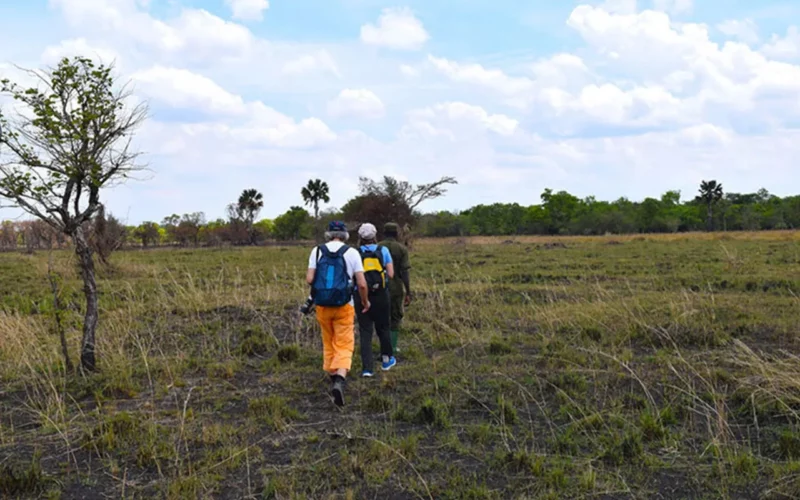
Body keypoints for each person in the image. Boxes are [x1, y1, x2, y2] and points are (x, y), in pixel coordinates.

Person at [307, 221, 370, 407]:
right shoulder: (352, 253)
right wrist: (365, 302)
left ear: (329, 234)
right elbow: (362, 283)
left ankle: (333, 376)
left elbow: (310, 278)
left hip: (322, 305)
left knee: (328, 340)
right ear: (344, 235)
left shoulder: (317, 251)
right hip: (345, 305)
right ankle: (340, 380)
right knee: (344, 342)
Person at [356, 223, 396, 377]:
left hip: (361, 294)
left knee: (365, 331)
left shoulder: (356, 252)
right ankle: (387, 360)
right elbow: (391, 274)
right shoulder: (383, 250)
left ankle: (367, 369)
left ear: (360, 237)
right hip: (381, 294)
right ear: (375, 235)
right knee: (383, 327)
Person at [379, 222, 412, 353]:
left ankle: (383, 346)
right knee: (395, 316)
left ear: (384, 233)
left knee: (381, 317)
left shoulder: (377, 247)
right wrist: (408, 291)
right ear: (397, 233)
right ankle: (392, 347)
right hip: (396, 287)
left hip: (379, 287)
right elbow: (405, 271)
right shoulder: (402, 249)